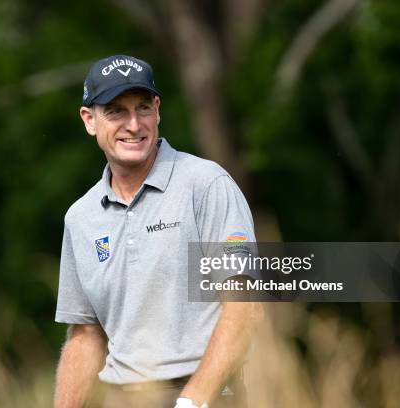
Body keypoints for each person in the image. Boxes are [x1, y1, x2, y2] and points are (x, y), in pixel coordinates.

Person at [54, 55, 262, 408]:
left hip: (206, 395)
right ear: (89, 120)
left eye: (143, 108)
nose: (133, 124)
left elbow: (243, 306)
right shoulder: (81, 217)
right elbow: (86, 335)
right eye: (116, 111)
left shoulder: (205, 185)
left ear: (158, 110)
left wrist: (192, 400)